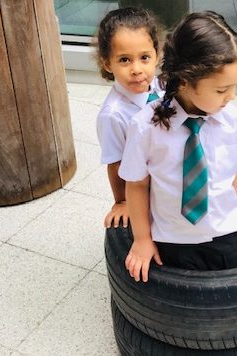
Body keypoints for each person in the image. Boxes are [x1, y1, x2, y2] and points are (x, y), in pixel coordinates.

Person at [119, 11, 237, 283]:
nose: (232, 96)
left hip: (227, 233)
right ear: (184, 80)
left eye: (234, 86)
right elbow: (137, 185)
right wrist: (142, 239)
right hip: (172, 238)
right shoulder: (145, 126)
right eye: (221, 90)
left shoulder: (235, 121)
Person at [95, 7, 163, 228]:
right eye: (124, 60)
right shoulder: (113, 115)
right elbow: (115, 163)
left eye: (144, 58)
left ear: (156, 54)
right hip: (140, 186)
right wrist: (122, 201)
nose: (136, 69)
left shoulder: (161, 86)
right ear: (107, 63)